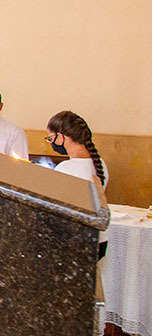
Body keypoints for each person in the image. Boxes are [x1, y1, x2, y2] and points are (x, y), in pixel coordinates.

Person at [46, 110, 109, 257]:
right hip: (98, 238)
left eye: (50, 138)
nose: (51, 143)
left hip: (76, 240)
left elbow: (54, 206)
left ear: (61, 137)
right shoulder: (100, 163)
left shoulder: (67, 168)